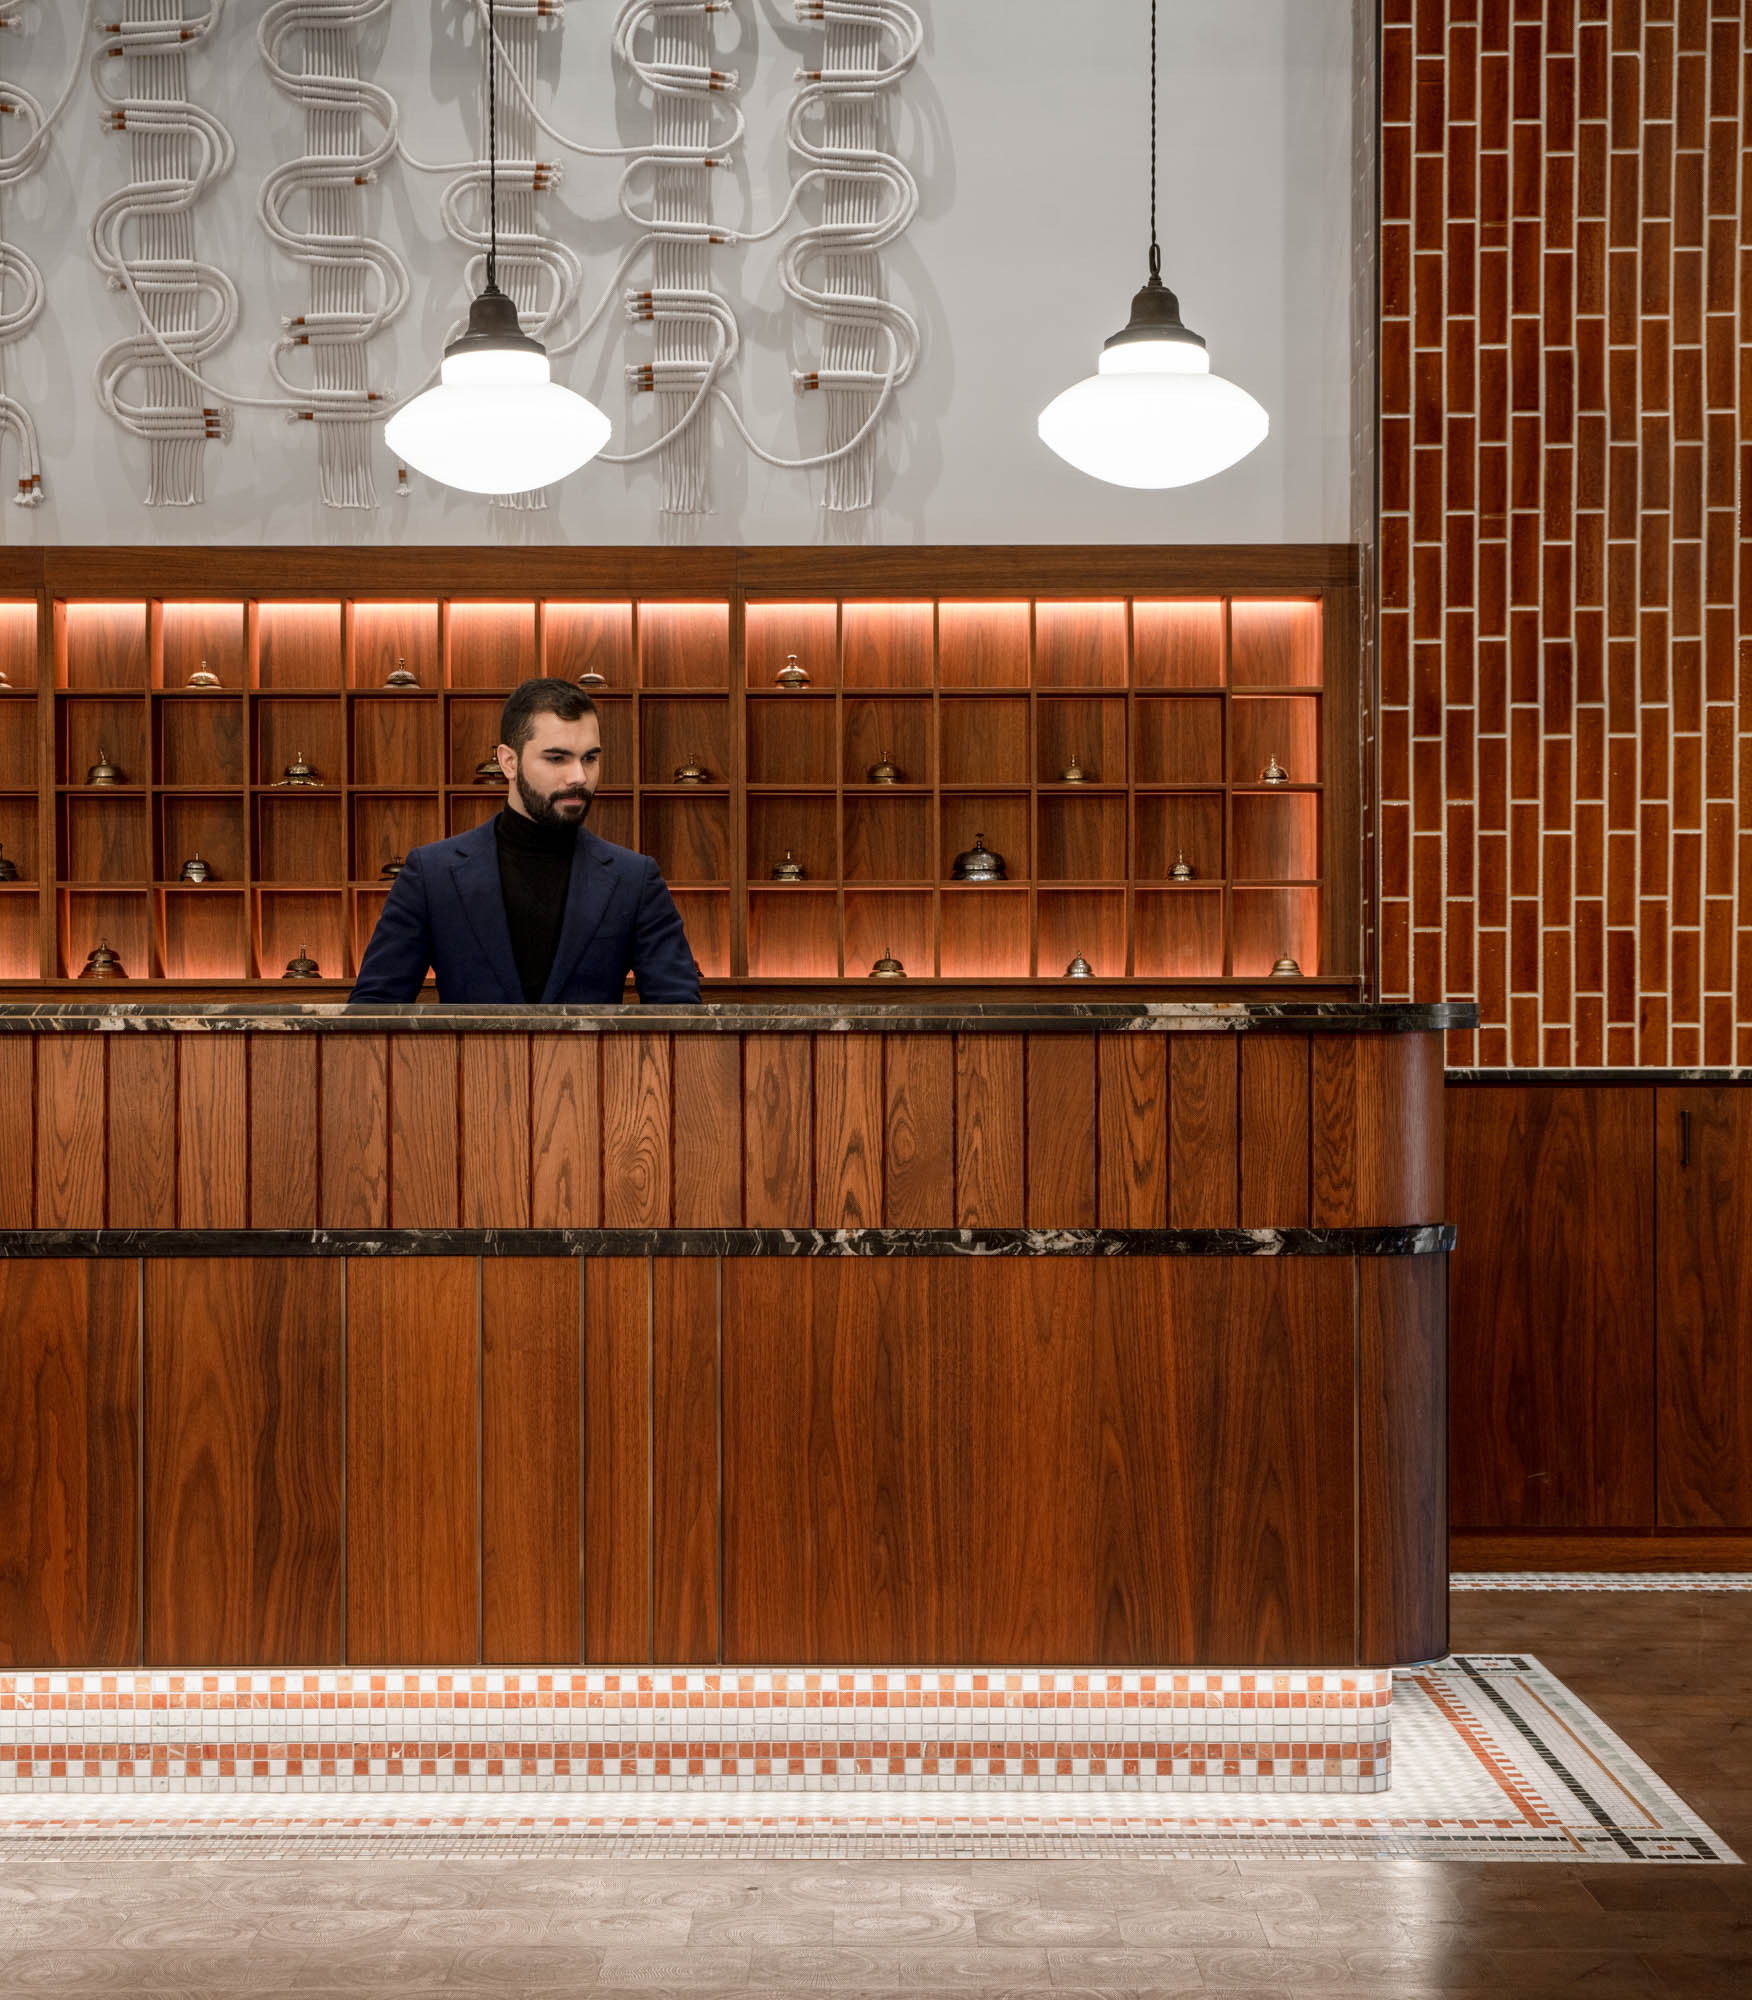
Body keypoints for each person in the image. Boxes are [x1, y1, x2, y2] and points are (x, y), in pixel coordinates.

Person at [349, 678, 701, 1004]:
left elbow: (681, 1018)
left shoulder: (635, 879)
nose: (579, 777)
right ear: (508, 762)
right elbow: (372, 1013)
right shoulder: (432, 874)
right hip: (465, 1072)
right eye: (557, 758)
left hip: (595, 1072)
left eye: (590, 758)